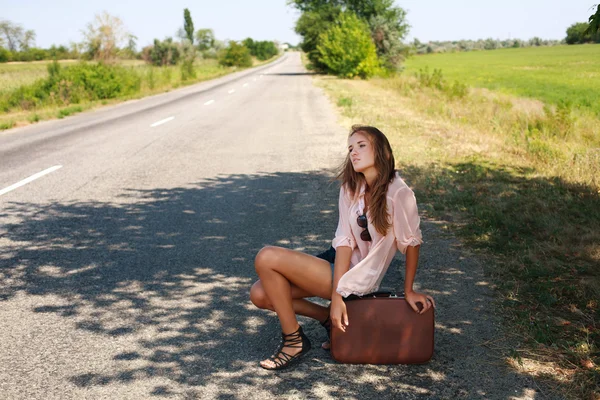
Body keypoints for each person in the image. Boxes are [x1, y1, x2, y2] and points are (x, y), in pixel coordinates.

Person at [250, 125, 436, 370]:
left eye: (361, 146)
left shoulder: (399, 193)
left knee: (267, 257)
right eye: (350, 148)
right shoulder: (351, 187)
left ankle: (293, 341)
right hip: (338, 260)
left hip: (359, 274)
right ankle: (325, 317)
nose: (354, 153)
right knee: (260, 294)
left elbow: (411, 242)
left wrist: (409, 289)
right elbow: (344, 242)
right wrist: (336, 299)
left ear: (384, 152)